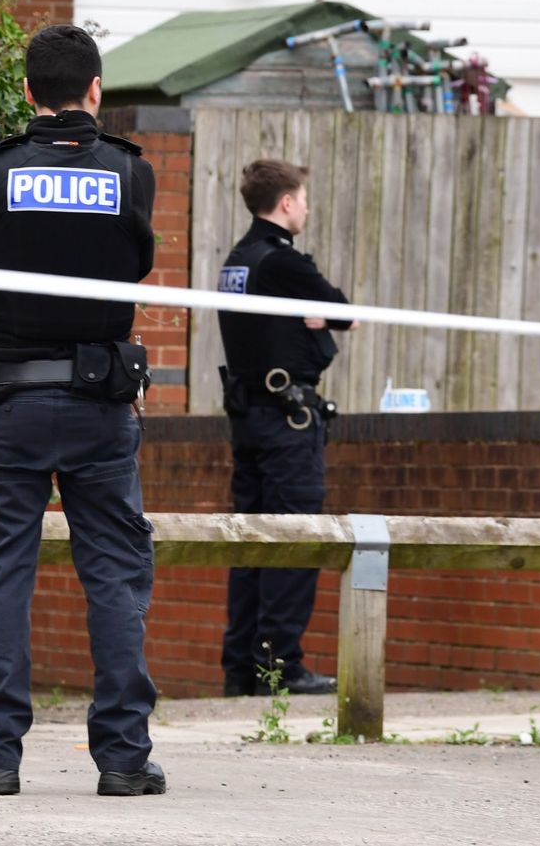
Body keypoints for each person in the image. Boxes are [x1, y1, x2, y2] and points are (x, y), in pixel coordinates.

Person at [0, 25, 164, 797]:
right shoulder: (132, 175)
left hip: (14, 401)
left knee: (3, 576)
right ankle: (123, 757)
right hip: (101, 405)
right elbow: (138, 261)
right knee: (117, 576)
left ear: (26, 93)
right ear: (96, 90)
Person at [216, 158, 357, 697]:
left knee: (251, 543)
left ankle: (242, 670)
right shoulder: (281, 263)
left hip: (249, 417)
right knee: (295, 540)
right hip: (287, 420)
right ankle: (281, 666)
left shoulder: (237, 260)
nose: (307, 208)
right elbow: (345, 311)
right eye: (304, 198)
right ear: (287, 203)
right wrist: (324, 314)